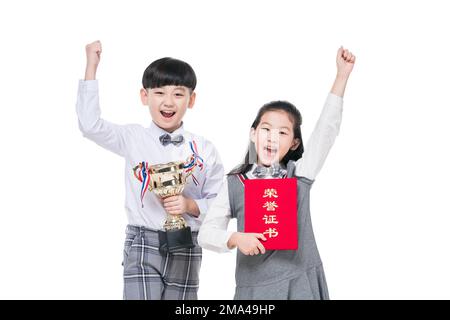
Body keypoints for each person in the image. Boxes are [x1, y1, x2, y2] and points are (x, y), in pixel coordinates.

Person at [198, 46, 355, 299]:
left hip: (299, 281)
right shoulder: (235, 183)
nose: (272, 138)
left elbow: (326, 131)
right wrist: (236, 238)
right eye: (266, 129)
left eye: (282, 132)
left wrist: (341, 76)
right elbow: (206, 234)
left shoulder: (299, 176)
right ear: (253, 133)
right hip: (253, 289)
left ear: (293, 143)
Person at [76, 40, 224, 300]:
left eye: (178, 94)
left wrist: (190, 205)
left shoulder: (204, 149)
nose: (168, 102)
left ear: (192, 99)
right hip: (143, 241)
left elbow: (221, 204)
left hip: (187, 242)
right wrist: (91, 67)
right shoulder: (133, 138)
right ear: (144, 96)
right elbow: (90, 126)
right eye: (159, 93)